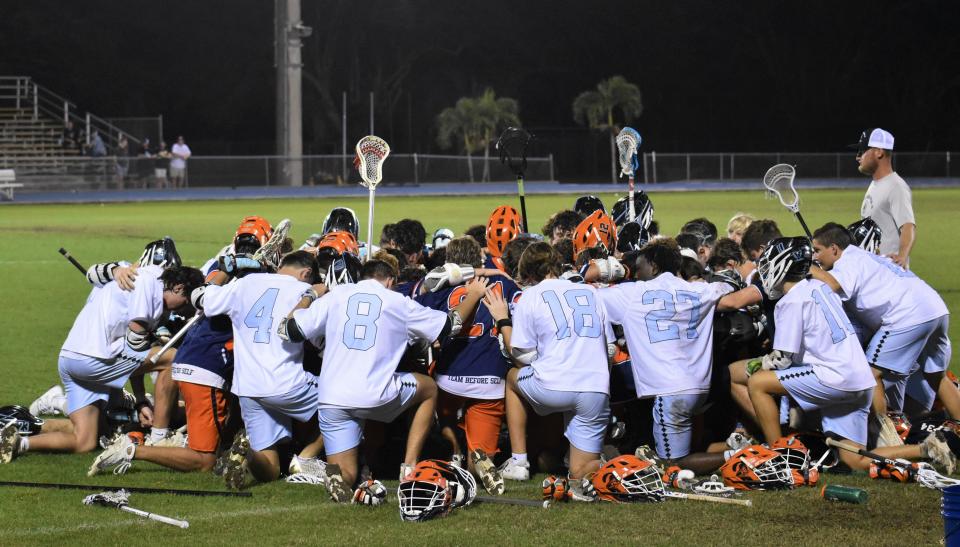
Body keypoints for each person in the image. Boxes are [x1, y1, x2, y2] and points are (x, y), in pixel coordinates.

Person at [744, 237, 955, 473]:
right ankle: (926, 449)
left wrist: (758, 364)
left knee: (757, 383)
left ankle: (778, 458)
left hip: (835, 378)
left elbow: (782, 360)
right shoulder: (821, 287)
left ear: (781, 265)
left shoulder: (791, 301)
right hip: (860, 381)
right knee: (855, 460)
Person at [281, 259, 482, 502]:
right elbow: (450, 326)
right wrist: (472, 295)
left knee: (348, 472)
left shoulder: (337, 295)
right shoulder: (397, 301)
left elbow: (289, 330)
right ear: (390, 281)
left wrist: (309, 296)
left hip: (332, 398)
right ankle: (409, 469)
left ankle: (337, 476)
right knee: (428, 388)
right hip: (375, 393)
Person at [0, 265, 203, 463]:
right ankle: (158, 439)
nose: (185, 311)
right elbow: (136, 343)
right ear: (178, 287)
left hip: (69, 359)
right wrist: (157, 340)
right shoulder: (148, 286)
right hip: (94, 359)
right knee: (173, 357)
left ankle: (18, 443)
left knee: (85, 441)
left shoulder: (134, 272)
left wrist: (141, 399)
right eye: (187, 303)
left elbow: (93, 273)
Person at [598, 238, 757, 474]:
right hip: (701, 387)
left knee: (673, 466)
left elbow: (586, 298)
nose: (636, 274)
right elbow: (732, 293)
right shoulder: (698, 289)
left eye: (639, 268)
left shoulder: (632, 292)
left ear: (653, 266)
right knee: (683, 451)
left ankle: (742, 456)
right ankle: (738, 450)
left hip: (670, 391)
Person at [485, 242, 612, 499]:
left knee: (511, 378)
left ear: (528, 273)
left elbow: (520, 355)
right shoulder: (591, 293)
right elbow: (608, 349)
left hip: (553, 386)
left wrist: (502, 320)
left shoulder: (530, 296)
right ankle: (634, 467)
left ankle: (519, 461)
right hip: (596, 389)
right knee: (581, 473)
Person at [187, 251, 322, 489]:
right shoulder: (304, 291)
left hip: (248, 387)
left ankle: (246, 453)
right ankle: (306, 458)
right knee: (346, 403)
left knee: (270, 469)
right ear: (307, 273)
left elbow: (201, 297)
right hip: (287, 382)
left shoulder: (246, 282)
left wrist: (224, 271)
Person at [809, 223, 957, 439]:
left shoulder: (847, 261)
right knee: (937, 376)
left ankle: (886, 438)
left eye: (817, 250)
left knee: (871, 376)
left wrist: (807, 267)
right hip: (936, 309)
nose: (815, 257)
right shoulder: (866, 256)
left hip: (907, 316)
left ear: (834, 249)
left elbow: (833, 285)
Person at [416, 237, 522, 492]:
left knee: (433, 405)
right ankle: (477, 460)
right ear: (480, 260)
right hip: (491, 381)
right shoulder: (504, 284)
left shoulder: (439, 287)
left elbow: (419, 321)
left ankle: (453, 448)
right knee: (479, 459)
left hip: (448, 380)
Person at [854, 128, 916, 267]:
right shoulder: (875, 184)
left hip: (889, 273)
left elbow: (907, 226)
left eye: (862, 151)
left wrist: (902, 257)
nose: (858, 157)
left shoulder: (896, 186)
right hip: (874, 269)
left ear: (879, 152)